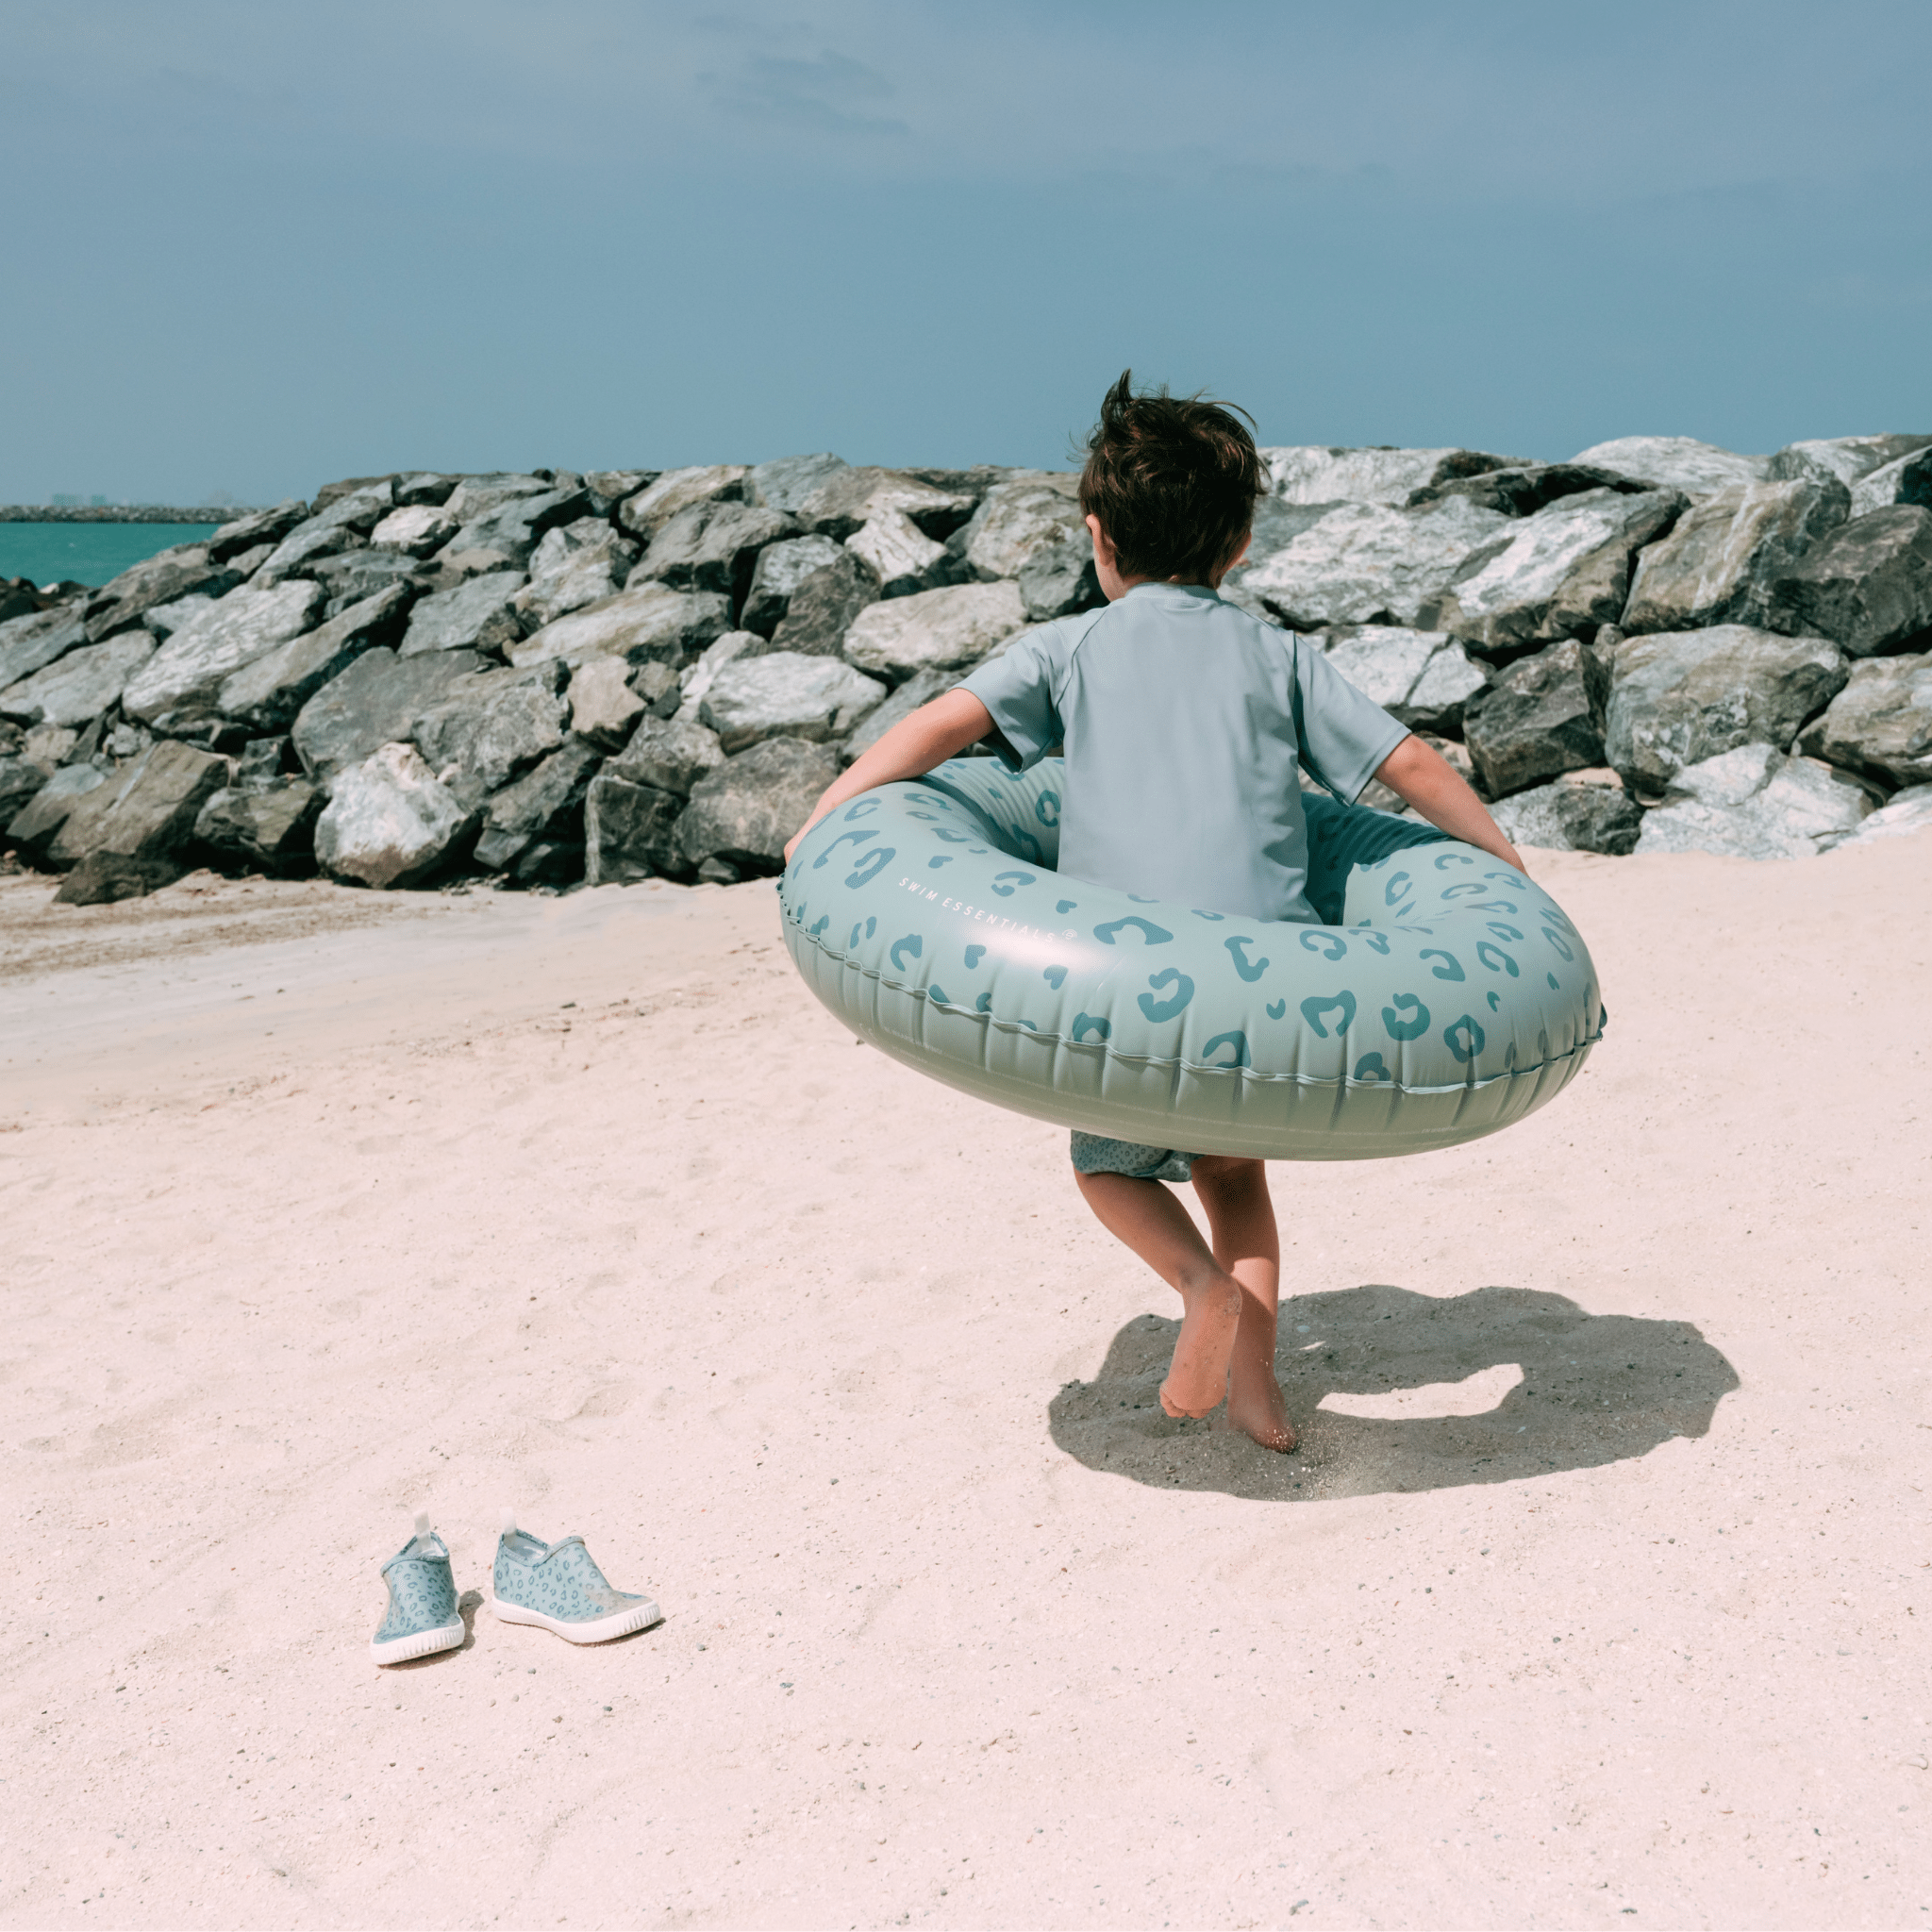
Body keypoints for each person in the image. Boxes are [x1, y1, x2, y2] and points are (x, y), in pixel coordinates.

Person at [783, 372, 1526, 1454]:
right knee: (1235, 1178)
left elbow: (941, 726)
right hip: (1268, 990)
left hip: (1121, 992)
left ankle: (1190, 1285)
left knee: (1102, 1161)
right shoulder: (1276, 653)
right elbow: (1405, 760)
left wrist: (829, 808)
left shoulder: (1070, 645)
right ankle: (1259, 1390)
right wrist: (1503, 862)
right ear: (1237, 544)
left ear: (1097, 538)